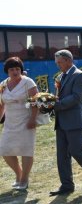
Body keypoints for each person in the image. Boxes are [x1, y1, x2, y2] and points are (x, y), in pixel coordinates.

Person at [50, 50, 82, 196]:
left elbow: (76, 97)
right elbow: (58, 97)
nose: (58, 66)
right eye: (57, 63)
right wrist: (48, 102)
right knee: (62, 156)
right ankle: (66, 185)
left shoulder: (79, 75)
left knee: (76, 151)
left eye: (60, 63)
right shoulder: (61, 76)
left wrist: (56, 105)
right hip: (61, 121)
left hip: (74, 121)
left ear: (68, 60)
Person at [0, 57, 38, 190]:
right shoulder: (3, 84)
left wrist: (33, 119)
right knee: (5, 150)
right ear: (7, 71)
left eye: (17, 69)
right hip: (9, 123)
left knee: (26, 151)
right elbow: (1, 105)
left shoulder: (28, 82)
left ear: (21, 70)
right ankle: (19, 174)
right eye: (12, 69)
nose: (15, 72)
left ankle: (24, 179)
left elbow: (35, 102)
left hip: (26, 121)